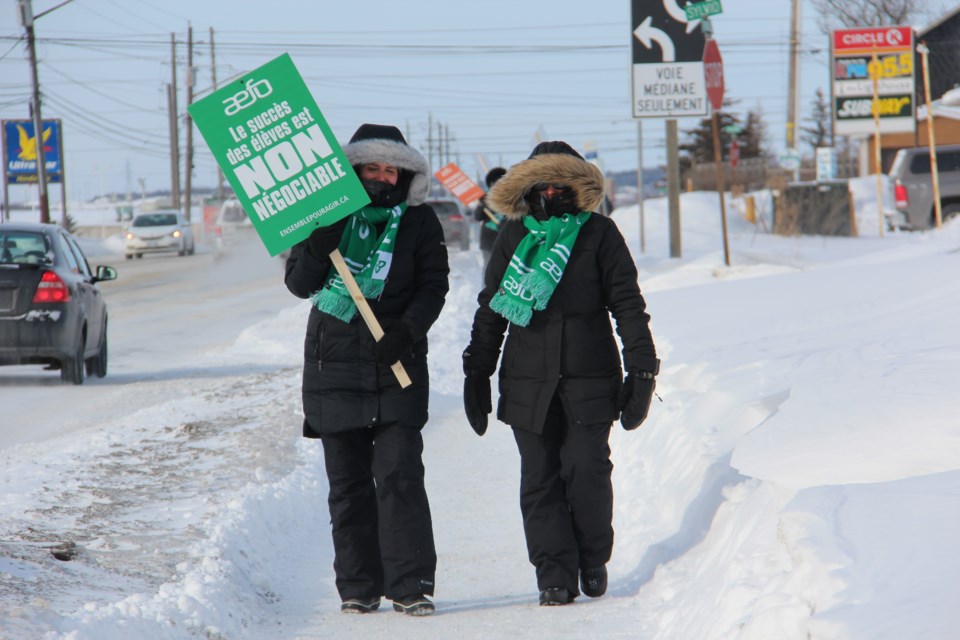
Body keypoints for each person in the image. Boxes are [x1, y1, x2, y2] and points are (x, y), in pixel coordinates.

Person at [461, 141, 658, 607]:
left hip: (590, 377)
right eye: (542, 183)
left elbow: (628, 305)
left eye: (560, 183)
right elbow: (492, 308)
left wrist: (643, 370)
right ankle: (554, 573)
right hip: (528, 381)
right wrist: (477, 372)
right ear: (527, 187)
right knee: (541, 478)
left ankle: (592, 557)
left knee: (587, 469)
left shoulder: (600, 234)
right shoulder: (513, 235)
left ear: (577, 186)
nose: (551, 191)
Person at [284, 123, 449, 617]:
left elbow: (433, 287)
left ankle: (410, 585)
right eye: (372, 167)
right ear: (354, 171)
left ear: (404, 174)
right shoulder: (325, 218)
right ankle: (357, 586)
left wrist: (407, 330)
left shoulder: (420, 223)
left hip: (395, 362)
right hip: (332, 364)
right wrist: (319, 243)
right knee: (349, 486)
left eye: (390, 168)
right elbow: (298, 284)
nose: (381, 176)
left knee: (400, 477)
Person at [473, 166, 507, 271]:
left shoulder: (509, 199)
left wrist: (504, 224)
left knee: (504, 267)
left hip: (505, 240)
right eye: (495, 184)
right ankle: (487, 287)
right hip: (488, 240)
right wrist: (481, 206)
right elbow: (477, 217)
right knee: (488, 267)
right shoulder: (485, 199)